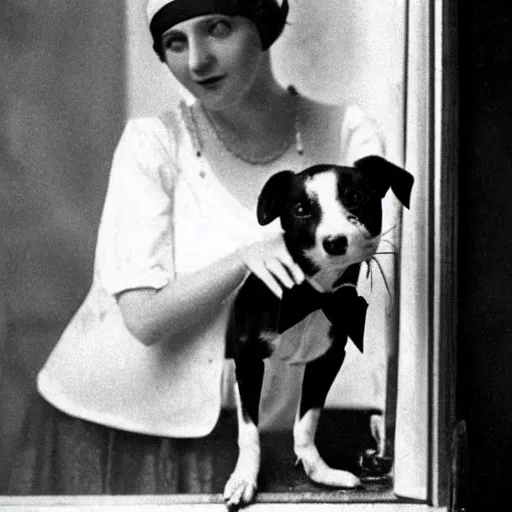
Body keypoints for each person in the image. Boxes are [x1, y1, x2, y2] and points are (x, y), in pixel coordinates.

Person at [6, 0, 385, 498]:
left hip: (289, 434)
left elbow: (388, 286)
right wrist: (243, 257)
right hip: (130, 435)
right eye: (175, 42)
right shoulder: (153, 144)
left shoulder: (347, 134)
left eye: (218, 28)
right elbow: (143, 319)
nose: (198, 61)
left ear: (264, 25)